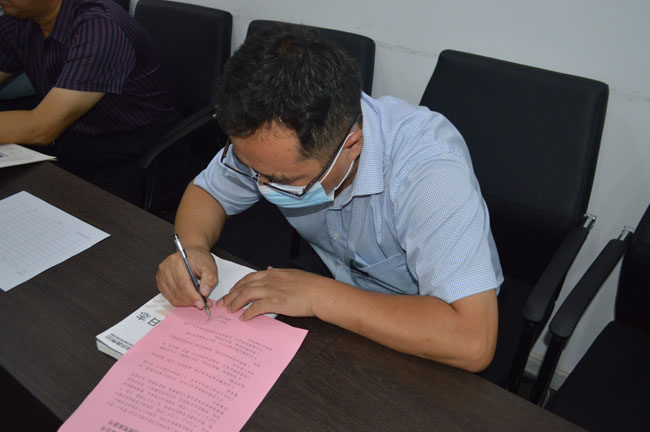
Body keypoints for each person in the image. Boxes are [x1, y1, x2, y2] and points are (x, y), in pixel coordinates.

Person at [156, 25, 503, 372]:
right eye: (253, 170)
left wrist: (319, 295)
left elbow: (472, 340)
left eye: (281, 180)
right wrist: (194, 248)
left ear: (351, 146)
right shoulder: (269, 145)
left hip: (420, 319)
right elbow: (208, 193)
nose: (261, 185)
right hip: (332, 280)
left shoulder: (428, 170)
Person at [0, 0, 177, 205]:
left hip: (130, 151)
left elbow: (41, 127)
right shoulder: (19, 21)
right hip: (71, 138)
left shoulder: (100, 27)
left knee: (76, 215)